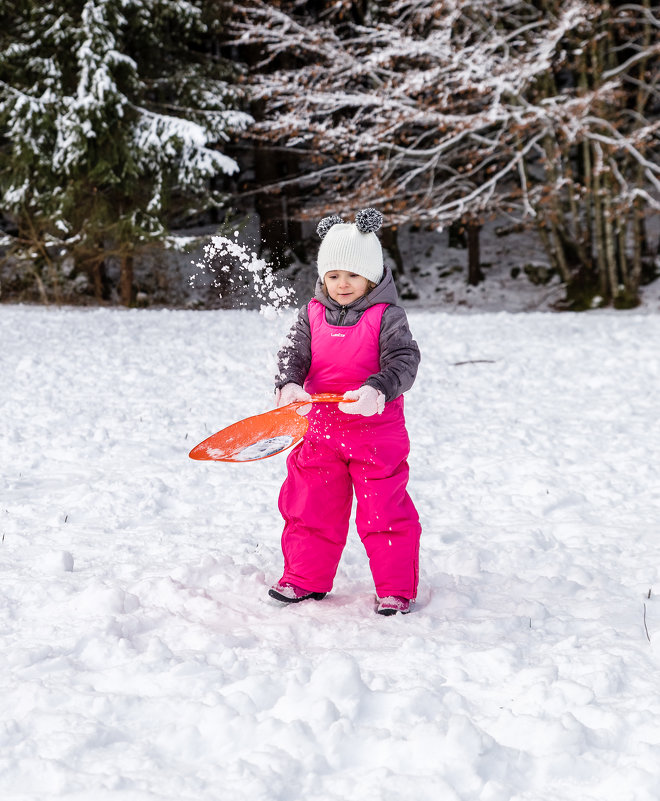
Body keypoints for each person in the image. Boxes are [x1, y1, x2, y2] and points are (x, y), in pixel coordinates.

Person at [269, 208, 422, 616]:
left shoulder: (387, 317)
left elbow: (404, 360)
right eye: (333, 275)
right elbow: (293, 355)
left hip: (375, 433)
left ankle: (395, 590)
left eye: (352, 275)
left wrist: (378, 389)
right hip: (319, 434)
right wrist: (289, 383)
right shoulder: (310, 314)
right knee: (309, 507)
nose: (342, 284)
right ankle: (304, 579)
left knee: (383, 513)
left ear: (371, 276)